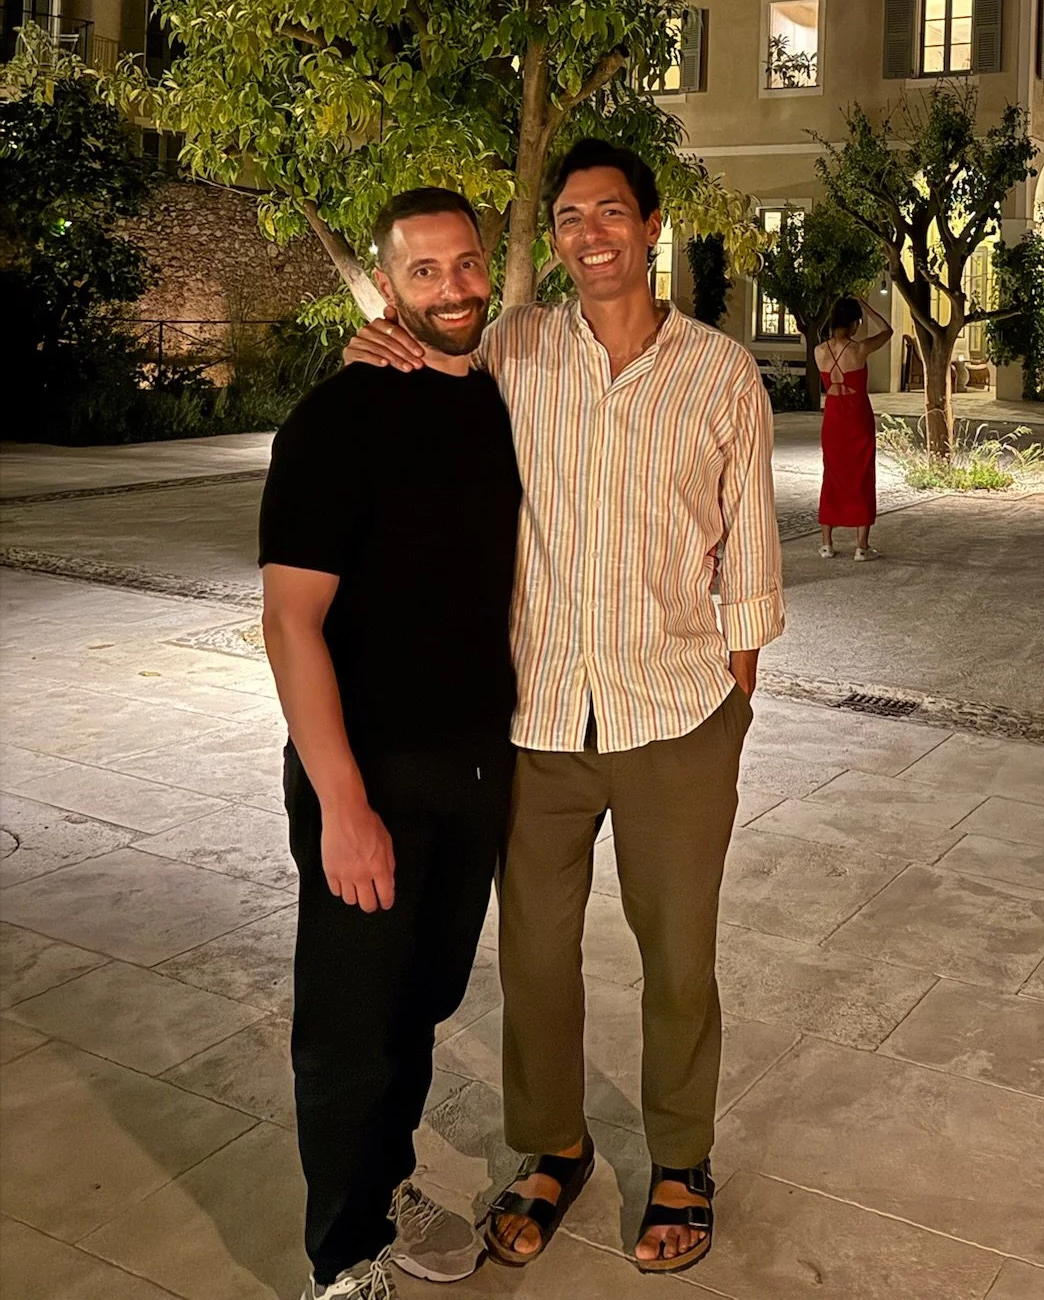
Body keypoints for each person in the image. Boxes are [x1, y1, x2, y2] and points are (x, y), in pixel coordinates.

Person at [346, 138, 783, 1277]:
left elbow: (751, 554)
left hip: (677, 715)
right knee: (535, 958)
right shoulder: (512, 348)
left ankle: (681, 1158)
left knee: (679, 956)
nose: (589, 233)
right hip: (537, 720)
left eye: (610, 211)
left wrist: (731, 700)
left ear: (650, 225)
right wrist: (383, 342)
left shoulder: (719, 370)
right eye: (570, 216)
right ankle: (554, 1145)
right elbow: (429, 393)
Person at [260, 190, 520, 1300]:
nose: (453, 287)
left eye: (466, 264)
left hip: (477, 763)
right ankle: (342, 1254)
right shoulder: (336, 419)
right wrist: (342, 803)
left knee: (424, 994)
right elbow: (289, 621)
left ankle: (387, 1175)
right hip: (369, 772)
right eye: (424, 272)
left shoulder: (500, 401)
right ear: (386, 284)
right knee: (348, 1024)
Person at [813, 296, 891, 559]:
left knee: (832, 476)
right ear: (854, 322)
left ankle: (827, 543)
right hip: (857, 417)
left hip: (833, 418)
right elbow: (887, 331)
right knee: (862, 476)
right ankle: (862, 546)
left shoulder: (819, 351)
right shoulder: (859, 350)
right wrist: (867, 307)